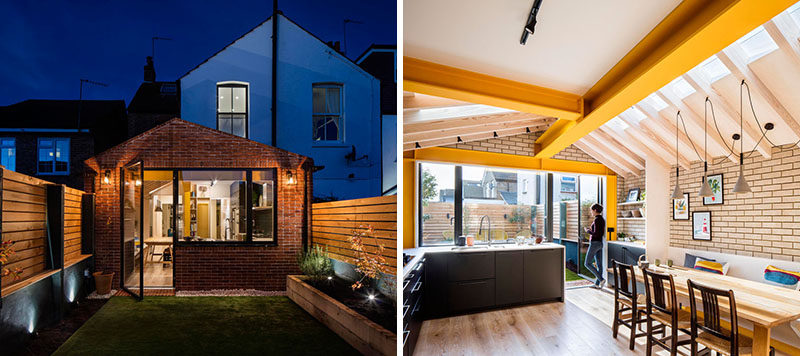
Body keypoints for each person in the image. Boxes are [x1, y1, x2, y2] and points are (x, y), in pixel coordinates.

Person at [584, 204, 606, 289]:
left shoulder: (597, 220)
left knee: (587, 263)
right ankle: (597, 284)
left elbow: (597, 234)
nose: (591, 212)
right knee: (599, 264)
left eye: (591, 210)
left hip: (595, 243)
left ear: (595, 210)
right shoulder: (601, 219)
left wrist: (588, 231)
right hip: (599, 244)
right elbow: (598, 232)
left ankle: (601, 279)